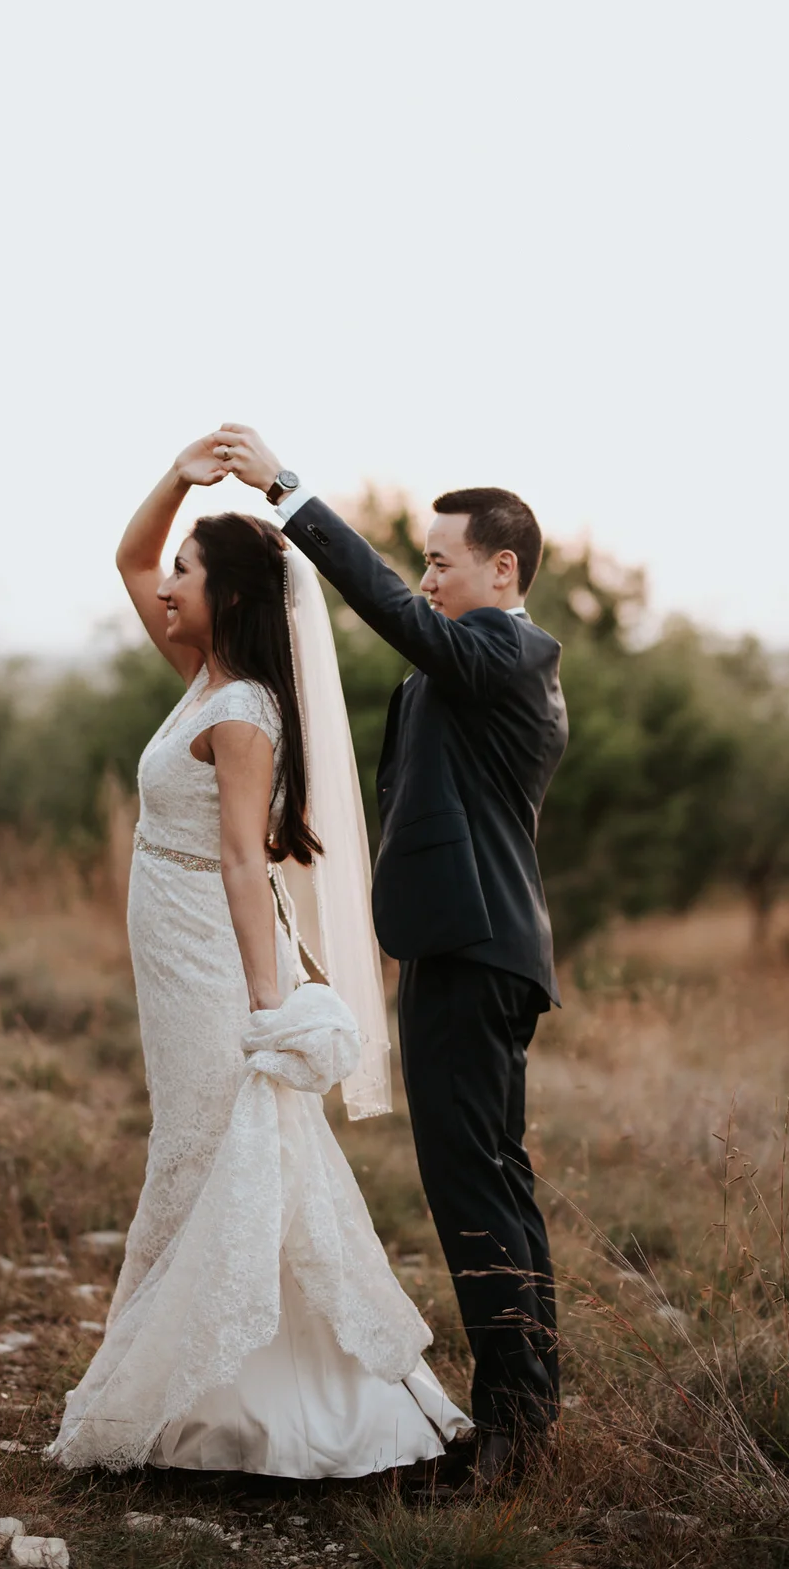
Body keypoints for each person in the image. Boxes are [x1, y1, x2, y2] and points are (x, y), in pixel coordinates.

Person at [44, 433, 467, 1479]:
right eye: (179, 567)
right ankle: (203, 1390)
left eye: (190, 570)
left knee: (212, 1146)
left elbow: (244, 864)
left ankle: (252, 1404)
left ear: (225, 597)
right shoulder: (202, 674)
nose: (168, 584)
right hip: (177, 956)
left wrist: (271, 1012)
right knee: (201, 1147)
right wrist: (178, 481)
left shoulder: (238, 710)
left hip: (215, 965)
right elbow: (128, 563)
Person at [214, 424, 568, 1487]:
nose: (425, 576)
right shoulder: (450, 677)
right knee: (493, 1180)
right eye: (422, 558)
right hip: (454, 943)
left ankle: (509, 1437)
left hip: (476, 948)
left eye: (440, 559)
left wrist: (288, 490)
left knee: (473, 1186)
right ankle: (526, 1411)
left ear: (502, 569)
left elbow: (395, 616)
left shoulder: (510, 650)